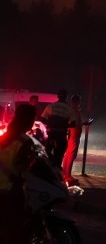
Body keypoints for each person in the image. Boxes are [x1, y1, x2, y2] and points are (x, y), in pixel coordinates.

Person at [0, 103, 38, 243]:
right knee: (15, 232)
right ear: (28, 120)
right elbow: (24, 167)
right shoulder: (25, 141)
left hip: (2, 188)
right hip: (10, 191)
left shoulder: (5, 137)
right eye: (33, 118)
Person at [40, 89, 77, 170]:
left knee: (47, 150)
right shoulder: (70, 108)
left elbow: (42, 119)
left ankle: (43, 166)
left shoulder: (50, 106)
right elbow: (73, 124)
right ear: (66, 97)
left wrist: (50, 123)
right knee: (60, 151)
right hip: (61, 133)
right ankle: (57, 167)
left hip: (51, 132)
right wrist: (64, 125)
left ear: (57, 96)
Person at [61, 94, 92, 186]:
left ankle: (65, 174)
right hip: (74, 134)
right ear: (77, 101)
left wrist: (84, 123)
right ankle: (68, 175)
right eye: (79, 101)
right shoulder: (74, 110)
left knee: (68, 154)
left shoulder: (72, 110)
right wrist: (84, 124)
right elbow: (75, 123)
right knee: (71, 154)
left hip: (72, 133)